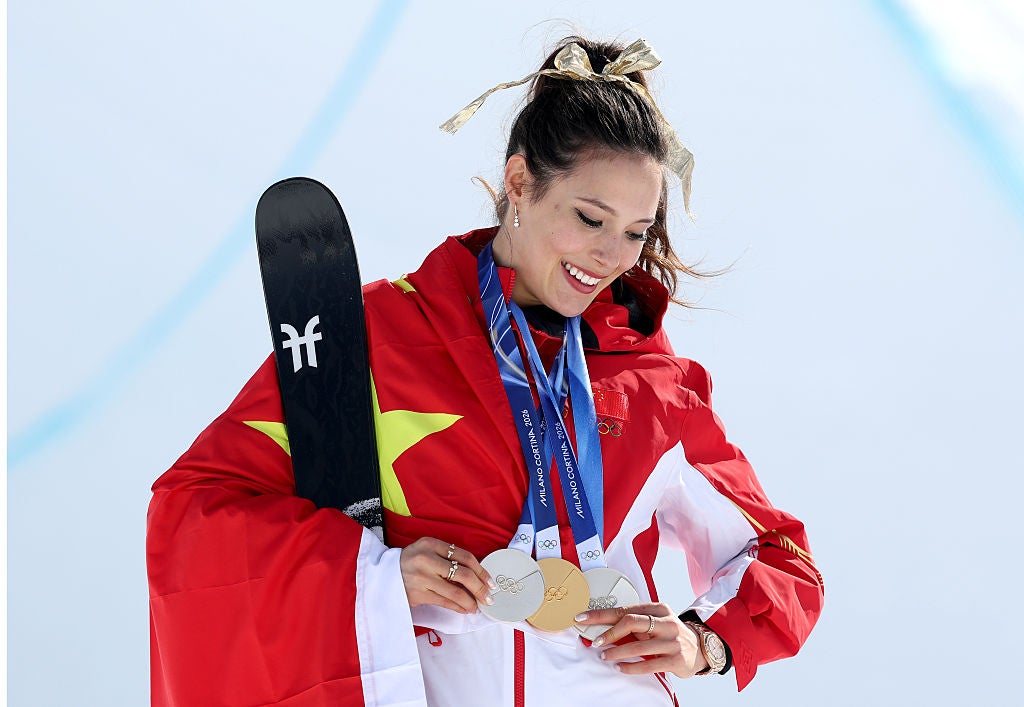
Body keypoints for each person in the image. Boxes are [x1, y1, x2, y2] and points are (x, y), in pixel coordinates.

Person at [147, 36, 823, 706]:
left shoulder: (652, 383)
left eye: (636, 231)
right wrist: (374, 577)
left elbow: (780, 556)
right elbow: (194, 516)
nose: (612, 255)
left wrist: (703, 642)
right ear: (520, 182)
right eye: (590, 218)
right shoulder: (380, 341)